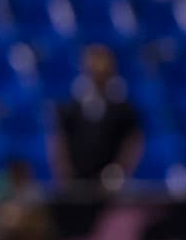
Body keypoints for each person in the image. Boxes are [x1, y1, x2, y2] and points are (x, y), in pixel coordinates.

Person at [51, 42, 143, 193]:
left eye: (103, 63)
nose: (99, 68)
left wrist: (118, 171)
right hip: (76, 185)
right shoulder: (71, 107)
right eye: (94, 62)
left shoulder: (122, 108)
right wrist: (66, 174)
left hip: (110, 187)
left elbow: (133, 141)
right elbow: (60, 141)